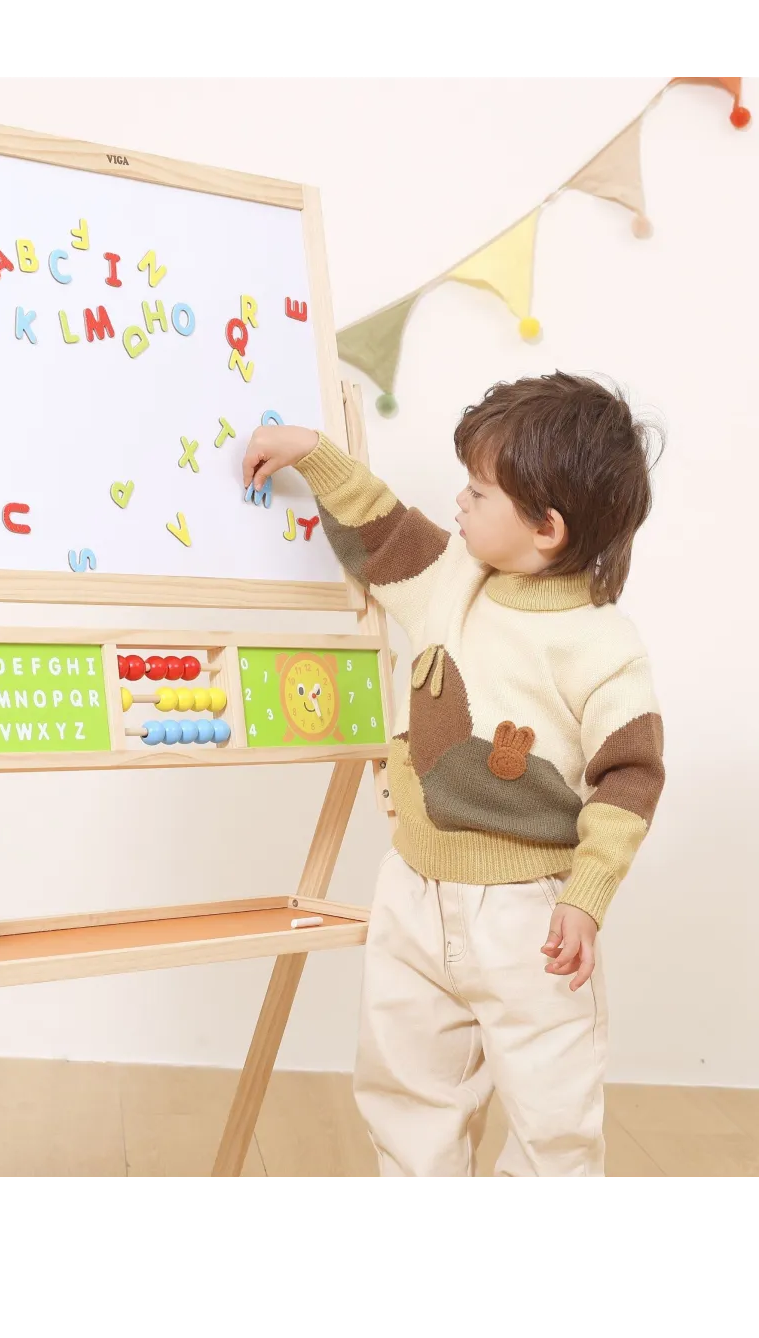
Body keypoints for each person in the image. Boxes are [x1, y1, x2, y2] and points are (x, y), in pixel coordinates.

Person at [242, 372, 665, 1179]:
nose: (458, 501)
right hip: (413, 889)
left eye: (478, 491)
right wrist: (314, 454)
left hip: (531, 916)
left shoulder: (604, 646)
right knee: (406, 1095)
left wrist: (586, 896)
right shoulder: (450, 578)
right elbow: (382, 529)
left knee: (553, 1120)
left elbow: (630, 779)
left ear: (546, 527)